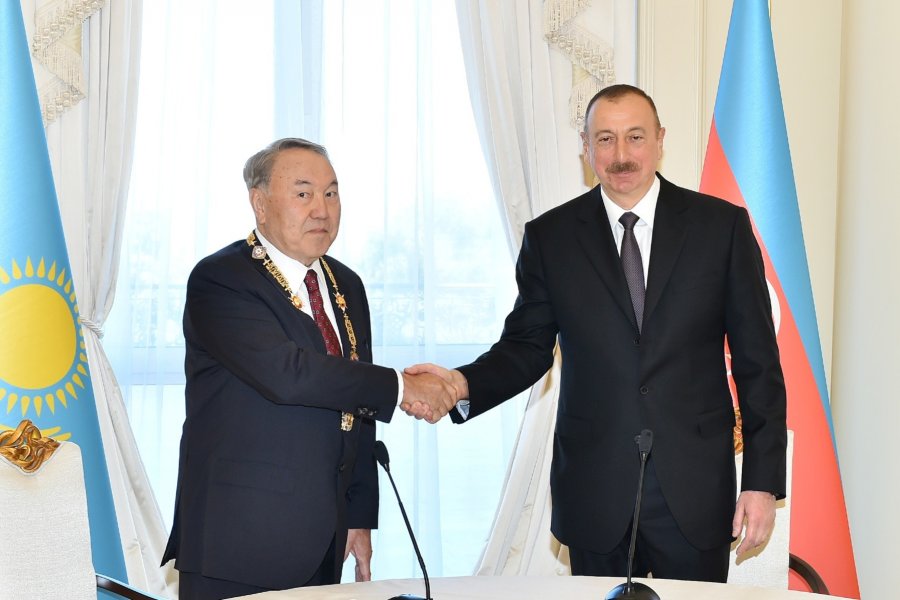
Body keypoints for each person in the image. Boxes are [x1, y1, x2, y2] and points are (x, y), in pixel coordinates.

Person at [407, 84, 787, 582]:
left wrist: (761, 482)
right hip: (595, 488)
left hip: (694, 488)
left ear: (660, 140)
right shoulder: (550, 237)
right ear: (586, 147)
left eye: (635, 137)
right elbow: (525, 349)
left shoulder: (722, 228)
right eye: (605, 139)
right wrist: (461, 383)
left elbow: (759, 365)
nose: (621, 154)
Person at [161, 138, 455, 599]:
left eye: (331, 193)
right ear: (260, 204)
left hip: (323, 539)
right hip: (238, 541)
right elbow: (289, 374)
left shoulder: (345, 284)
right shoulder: (221, 279)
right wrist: (403, 387)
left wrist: (358, 515)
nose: (321, 209)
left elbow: (356, 406)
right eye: (303, 193)